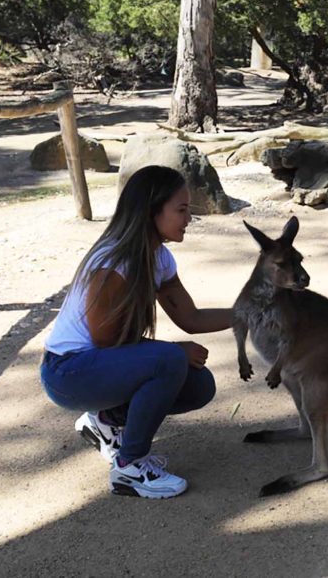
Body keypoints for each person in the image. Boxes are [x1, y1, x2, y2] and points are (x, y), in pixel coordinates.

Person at [40, 165, 233, 499]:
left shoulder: (159, 257)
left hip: (98, 367)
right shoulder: (113, 264)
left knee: (199, 385)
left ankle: (104, 420)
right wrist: (175, 352)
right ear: (151, 211)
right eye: (182, 210)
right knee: (170, 361)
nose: (189, 218)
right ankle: (129, 468)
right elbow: (104, 340)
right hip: (68, 373)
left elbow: (191, 317)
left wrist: (254, 313)